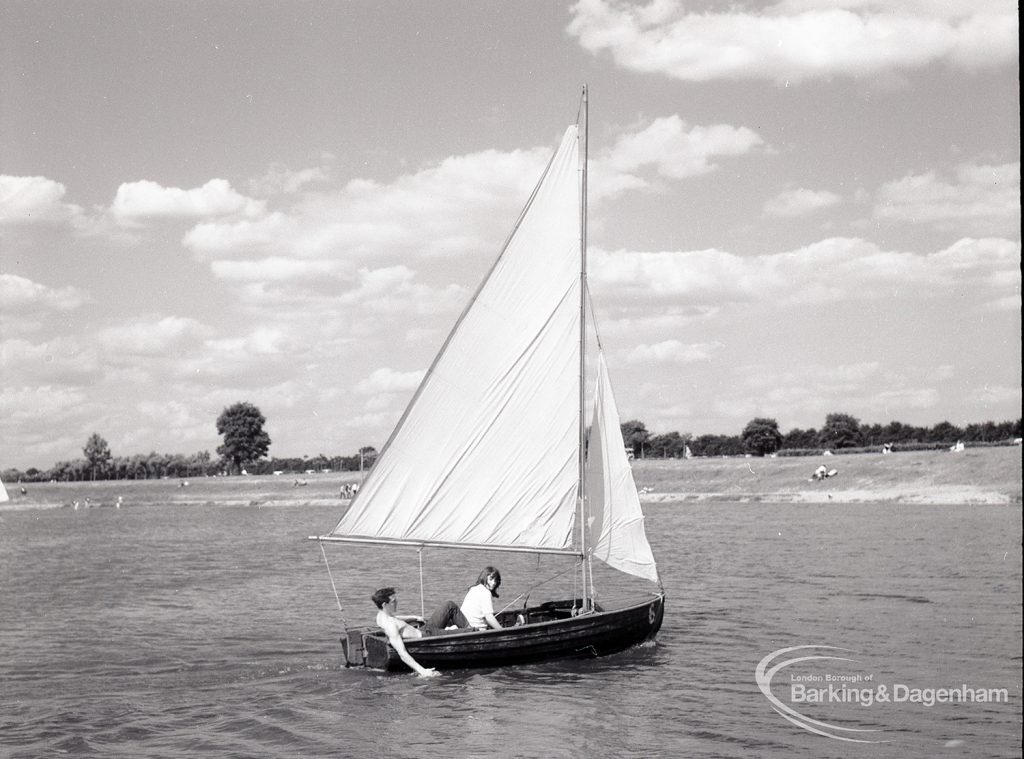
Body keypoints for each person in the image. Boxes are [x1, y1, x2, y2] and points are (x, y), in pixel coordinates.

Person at [372, 587, 471, 678]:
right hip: (428, 636)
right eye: (393, 601)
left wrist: (415, 617)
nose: (397, 602)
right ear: (384, 605)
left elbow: (395, 618)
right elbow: (402, 654)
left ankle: (469, 628)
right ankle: (475, 632)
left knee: (449, 605)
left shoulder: (381, 616)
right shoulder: (390, 626)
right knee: (469, 632)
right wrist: (422, 671)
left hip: (424, 629)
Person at [460, 566, 503, 630]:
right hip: (475, 630)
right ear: (484, 578)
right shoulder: (486, 592)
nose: (494, 583)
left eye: (496, 580)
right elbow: (489, 617)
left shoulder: (473, 588)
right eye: (491, 579)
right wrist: (503, 630)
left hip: (463, 625)